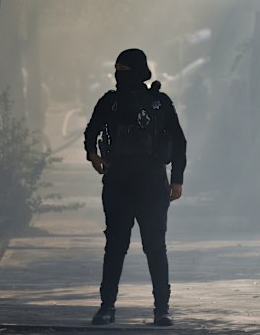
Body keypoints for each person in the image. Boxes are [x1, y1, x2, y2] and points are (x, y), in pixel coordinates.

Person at [84, 48, 187, 326]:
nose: (119, 76)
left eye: (124, 70)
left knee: (155, 247)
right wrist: (92, 154)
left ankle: (162, 308)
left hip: (152, 182)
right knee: (115, 246)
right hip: (118, 181)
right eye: (117, 70)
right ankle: (106, 307)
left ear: (138, 72)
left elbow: (178, 142)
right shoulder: (110, 102)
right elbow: (91, 131)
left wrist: (177, 178)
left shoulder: (159, 102)